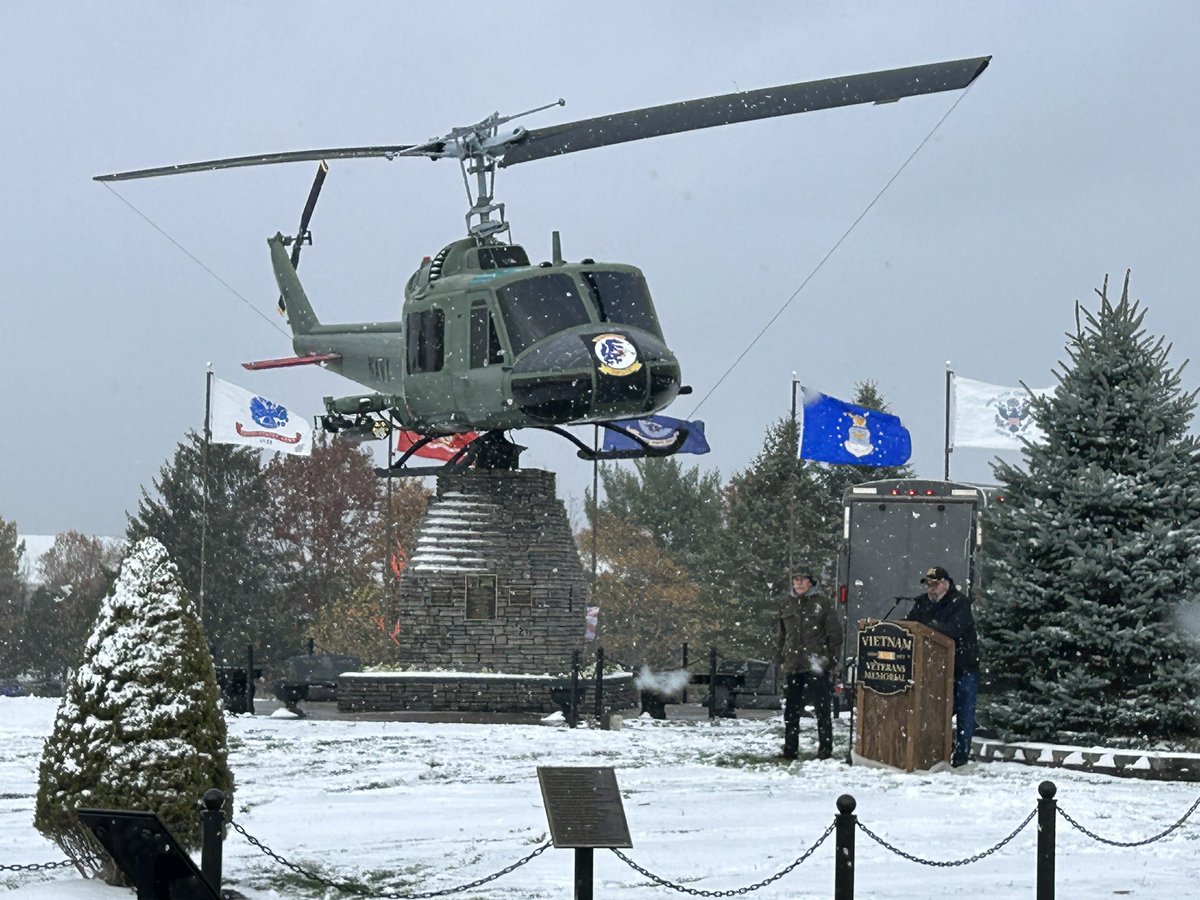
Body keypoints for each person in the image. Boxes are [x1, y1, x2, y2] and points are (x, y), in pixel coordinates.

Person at [908, 565, 979, 767]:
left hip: (963, 667)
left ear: (946, 584)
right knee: (935, 712)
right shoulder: (922, 603)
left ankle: (961, 757)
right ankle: (933, 754)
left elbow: (952, 630)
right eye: (928, 585)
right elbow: (910, 625)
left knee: (964, 713)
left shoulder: (960, 603)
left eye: (935, 584)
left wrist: (930, 627)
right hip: (935, 670)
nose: (931, 589)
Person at [774, 570, 843, 760]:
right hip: (793, 664)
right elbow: (780, 634)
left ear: (811, 582)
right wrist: (779, 658)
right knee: (791, 710)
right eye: (795, 580)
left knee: (822, 709)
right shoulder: (787, 603)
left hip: (816, 664)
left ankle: (825, 749)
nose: (798, 583)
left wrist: (830, 660)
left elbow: (835, 634)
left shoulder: (822, 603)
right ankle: (790, 749)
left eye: (802, 580)